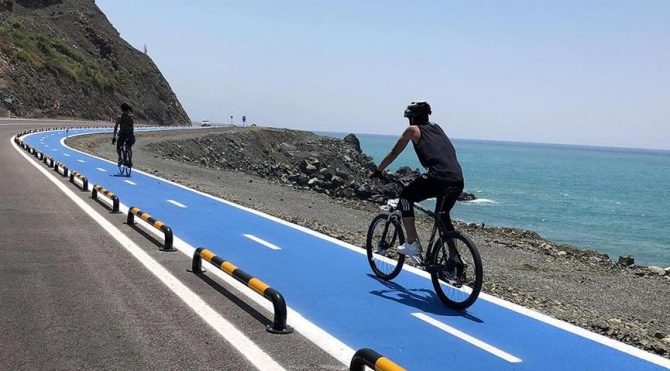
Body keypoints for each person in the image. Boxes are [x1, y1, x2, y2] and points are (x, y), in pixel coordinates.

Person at [370, 101, 464, 256]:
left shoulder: (412, 130)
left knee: (406, 198)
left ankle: (412, 243)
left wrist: (378, 171)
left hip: (437, 177)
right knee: (442, 216)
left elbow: (394, 152)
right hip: (456, 179)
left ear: (412, 118)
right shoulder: (437, 128)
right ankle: (455, 260)